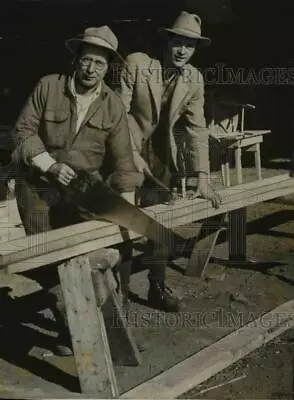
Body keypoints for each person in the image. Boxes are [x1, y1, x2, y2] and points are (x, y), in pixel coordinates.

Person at [12, 26, 143, 355]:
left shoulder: (112, 105)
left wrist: (127, 212)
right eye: (86, 61)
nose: (91, 70)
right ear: (76, 59)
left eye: (99, 64)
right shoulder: (49, 86)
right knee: (45, 254)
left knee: (100, 249)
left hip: (85, 188)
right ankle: (71, 326)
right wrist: (49, 164)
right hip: (39, 186)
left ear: (107, 67)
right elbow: (23, 130)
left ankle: (107, 320)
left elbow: (125, 162)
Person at [116, 11, 221, 312]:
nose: (182, 51)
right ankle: (119, 292)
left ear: (195, 49)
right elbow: (117, 114)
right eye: (178, 42)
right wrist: (130, 154)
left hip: (161, 154)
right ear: (167, 40)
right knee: (123, 220)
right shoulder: (136, 63)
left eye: (189, 46)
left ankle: (156, 286)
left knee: (160, 220)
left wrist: (202, 178)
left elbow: (197, 130)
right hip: (126, 149)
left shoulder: (194, 78)